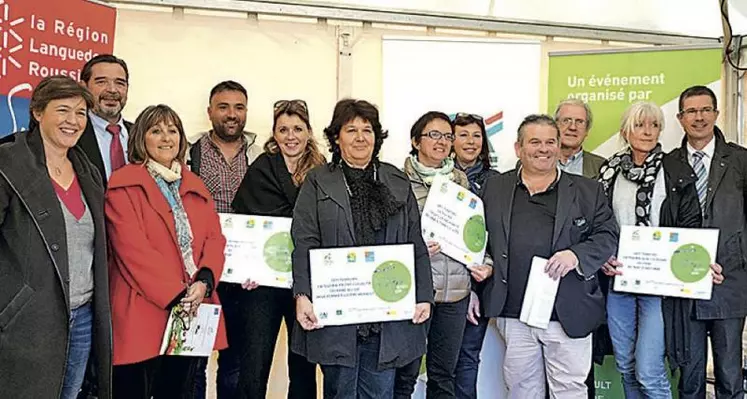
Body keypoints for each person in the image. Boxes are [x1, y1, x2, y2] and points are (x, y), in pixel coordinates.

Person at [291, 99, 433, 398]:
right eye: (351, 129)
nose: (360, 137)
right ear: (336, 137)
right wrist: (302, 295)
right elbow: (304, 241)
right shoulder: (318, 181)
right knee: (340, 390)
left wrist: (423, 295)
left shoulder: (396, 180)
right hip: (337, 311)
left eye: (367, 130)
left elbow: (414, 242)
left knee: (380, 391)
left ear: (377, 137)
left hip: (386, 312)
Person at [481, 114, 618, 398]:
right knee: (521, 391)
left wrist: (576, 255)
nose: (543, 149)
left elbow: (607, 236)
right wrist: (484, 266)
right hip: (515, 312)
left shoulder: (587, 190)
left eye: (550, 142)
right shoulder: (494, 188)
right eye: (534, 142)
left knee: (568, 391)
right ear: (519, 148)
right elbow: (480, 240)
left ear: (558, 147)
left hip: (568, 310)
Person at [597, 101, 723, 398]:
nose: (648, 131)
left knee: (649, 370)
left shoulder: (675, 168)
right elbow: (597, 222)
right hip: (619, 279)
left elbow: (692, 222)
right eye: (640, 125)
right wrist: (603, 257)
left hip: (660, 284)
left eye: (654, 125)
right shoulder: (609, 171)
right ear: (626, 130)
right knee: (626, 366)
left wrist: (701, 261)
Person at [0, 75, 112, 399]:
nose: (73, 121)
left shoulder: (86, 170)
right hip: (25, 321)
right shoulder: (8, 163)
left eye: (80, 113)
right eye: (63, 110)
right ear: (37, 112)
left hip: (82, 319)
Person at [106, 104, 228, 399]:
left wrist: (205, 281)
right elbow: (132, 251)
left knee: (178, 390)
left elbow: (215, 239)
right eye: (156, 130)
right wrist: (178, 296)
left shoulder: (195, 186)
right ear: (140, 139)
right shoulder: (123, 185)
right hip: (142, 310)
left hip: (189, 310)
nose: (165, 138)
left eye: (172, 130)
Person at [231, 99, 324, 398]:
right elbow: (242, 220)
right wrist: (246, 267)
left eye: (298, 128)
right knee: (254, 364)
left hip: (306, 283)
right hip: (264, 284)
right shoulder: (261, 170)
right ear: (274, 133)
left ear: (309, 132)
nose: (290, 136)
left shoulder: (323, 173)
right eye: (283, 129)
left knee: (304, 366)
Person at [397, 111, 493, 398]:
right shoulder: (398, 183)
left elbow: (478, 233)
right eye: (433, 135)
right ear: (416, 141)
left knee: (443, 376)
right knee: (405, 375)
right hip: (414, 292)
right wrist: (414, 250)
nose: (442, 141)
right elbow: (386, 240)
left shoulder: (462, 182)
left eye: (447, 136)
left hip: (455, 294)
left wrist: (484, 263)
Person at [669, 85, 747, 399]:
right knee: (690, 375)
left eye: (705, 110)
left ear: (716, 114)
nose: (699, 117)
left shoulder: (741, 160)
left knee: (729, 374)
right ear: (680, 118)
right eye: (691, 111)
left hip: (729, 279)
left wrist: (738, 256)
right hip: (684, 281)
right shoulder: (669, 163)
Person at [188, 80, 261, 399]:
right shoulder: (190, 151)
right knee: (194, 358)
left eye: (239, 107)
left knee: (235, 363)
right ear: (209, 112)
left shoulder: (260, 155)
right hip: (201, 272)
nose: (232, 114)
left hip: (245, 277)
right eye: (224, 107)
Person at [450, 112, 498, 399]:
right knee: (441, 363)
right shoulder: (439, 179)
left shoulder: (498, 182)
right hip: (443, 285)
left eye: (476, 135)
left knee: (468, 358)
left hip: (481, 281)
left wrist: (476, 284)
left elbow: (497, 236)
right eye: (463, 134)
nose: (471, 141)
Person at [77, 54, 133, 186]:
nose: (112, 90)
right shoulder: (72, 134)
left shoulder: (142, 135)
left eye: (119, 83)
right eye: (101, 82)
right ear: (83, 87)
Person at [554, 99, 605, 179]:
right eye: (566, 121)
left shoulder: (602, 167)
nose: (572, 127)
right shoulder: (538, 161)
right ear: (555, 126)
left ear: (587, 130)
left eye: (579, 122)